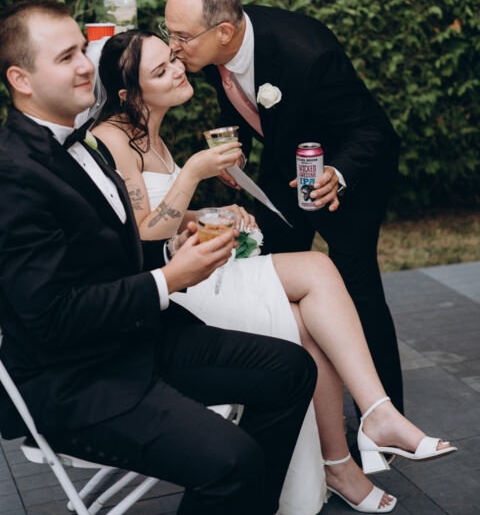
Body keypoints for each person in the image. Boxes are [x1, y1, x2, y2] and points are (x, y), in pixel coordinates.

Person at [92, 29, 456, 515]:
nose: (178, 70)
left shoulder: (150, 132)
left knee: (309, 325)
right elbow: (142, 233)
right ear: (127, 94)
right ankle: (374, 419)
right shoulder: (113, 138)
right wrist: (193, 174)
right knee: (317, 269)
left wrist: (210, 213)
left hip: (196, 271)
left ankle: (347, 454)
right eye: (161, 71)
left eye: (172, 59)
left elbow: (167, 218)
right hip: (173, 294)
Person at [0, 0, 318, 515]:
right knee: (233, 462)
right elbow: (52, 317)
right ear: (21, 79)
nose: (84, 66)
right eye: (65, 58)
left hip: (140, 337)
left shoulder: (79, 144)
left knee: (293, 369)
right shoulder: (13, 172)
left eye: (82, 50)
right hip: (77, 380)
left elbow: (113, 247)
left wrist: (178, 242)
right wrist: (168, 279)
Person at [163, 0, 404, 418]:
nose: (173, 48)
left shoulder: (308, 55)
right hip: (281, 172)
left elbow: (372, 130)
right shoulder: (211, 51)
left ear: (224, 32)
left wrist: (337, 173)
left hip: (345, 178)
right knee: (271, 274)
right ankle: (294, 392)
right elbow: (236, 98)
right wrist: (237, 151)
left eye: (181, 37)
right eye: (169, 33)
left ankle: (385, 417)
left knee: (358, 290)